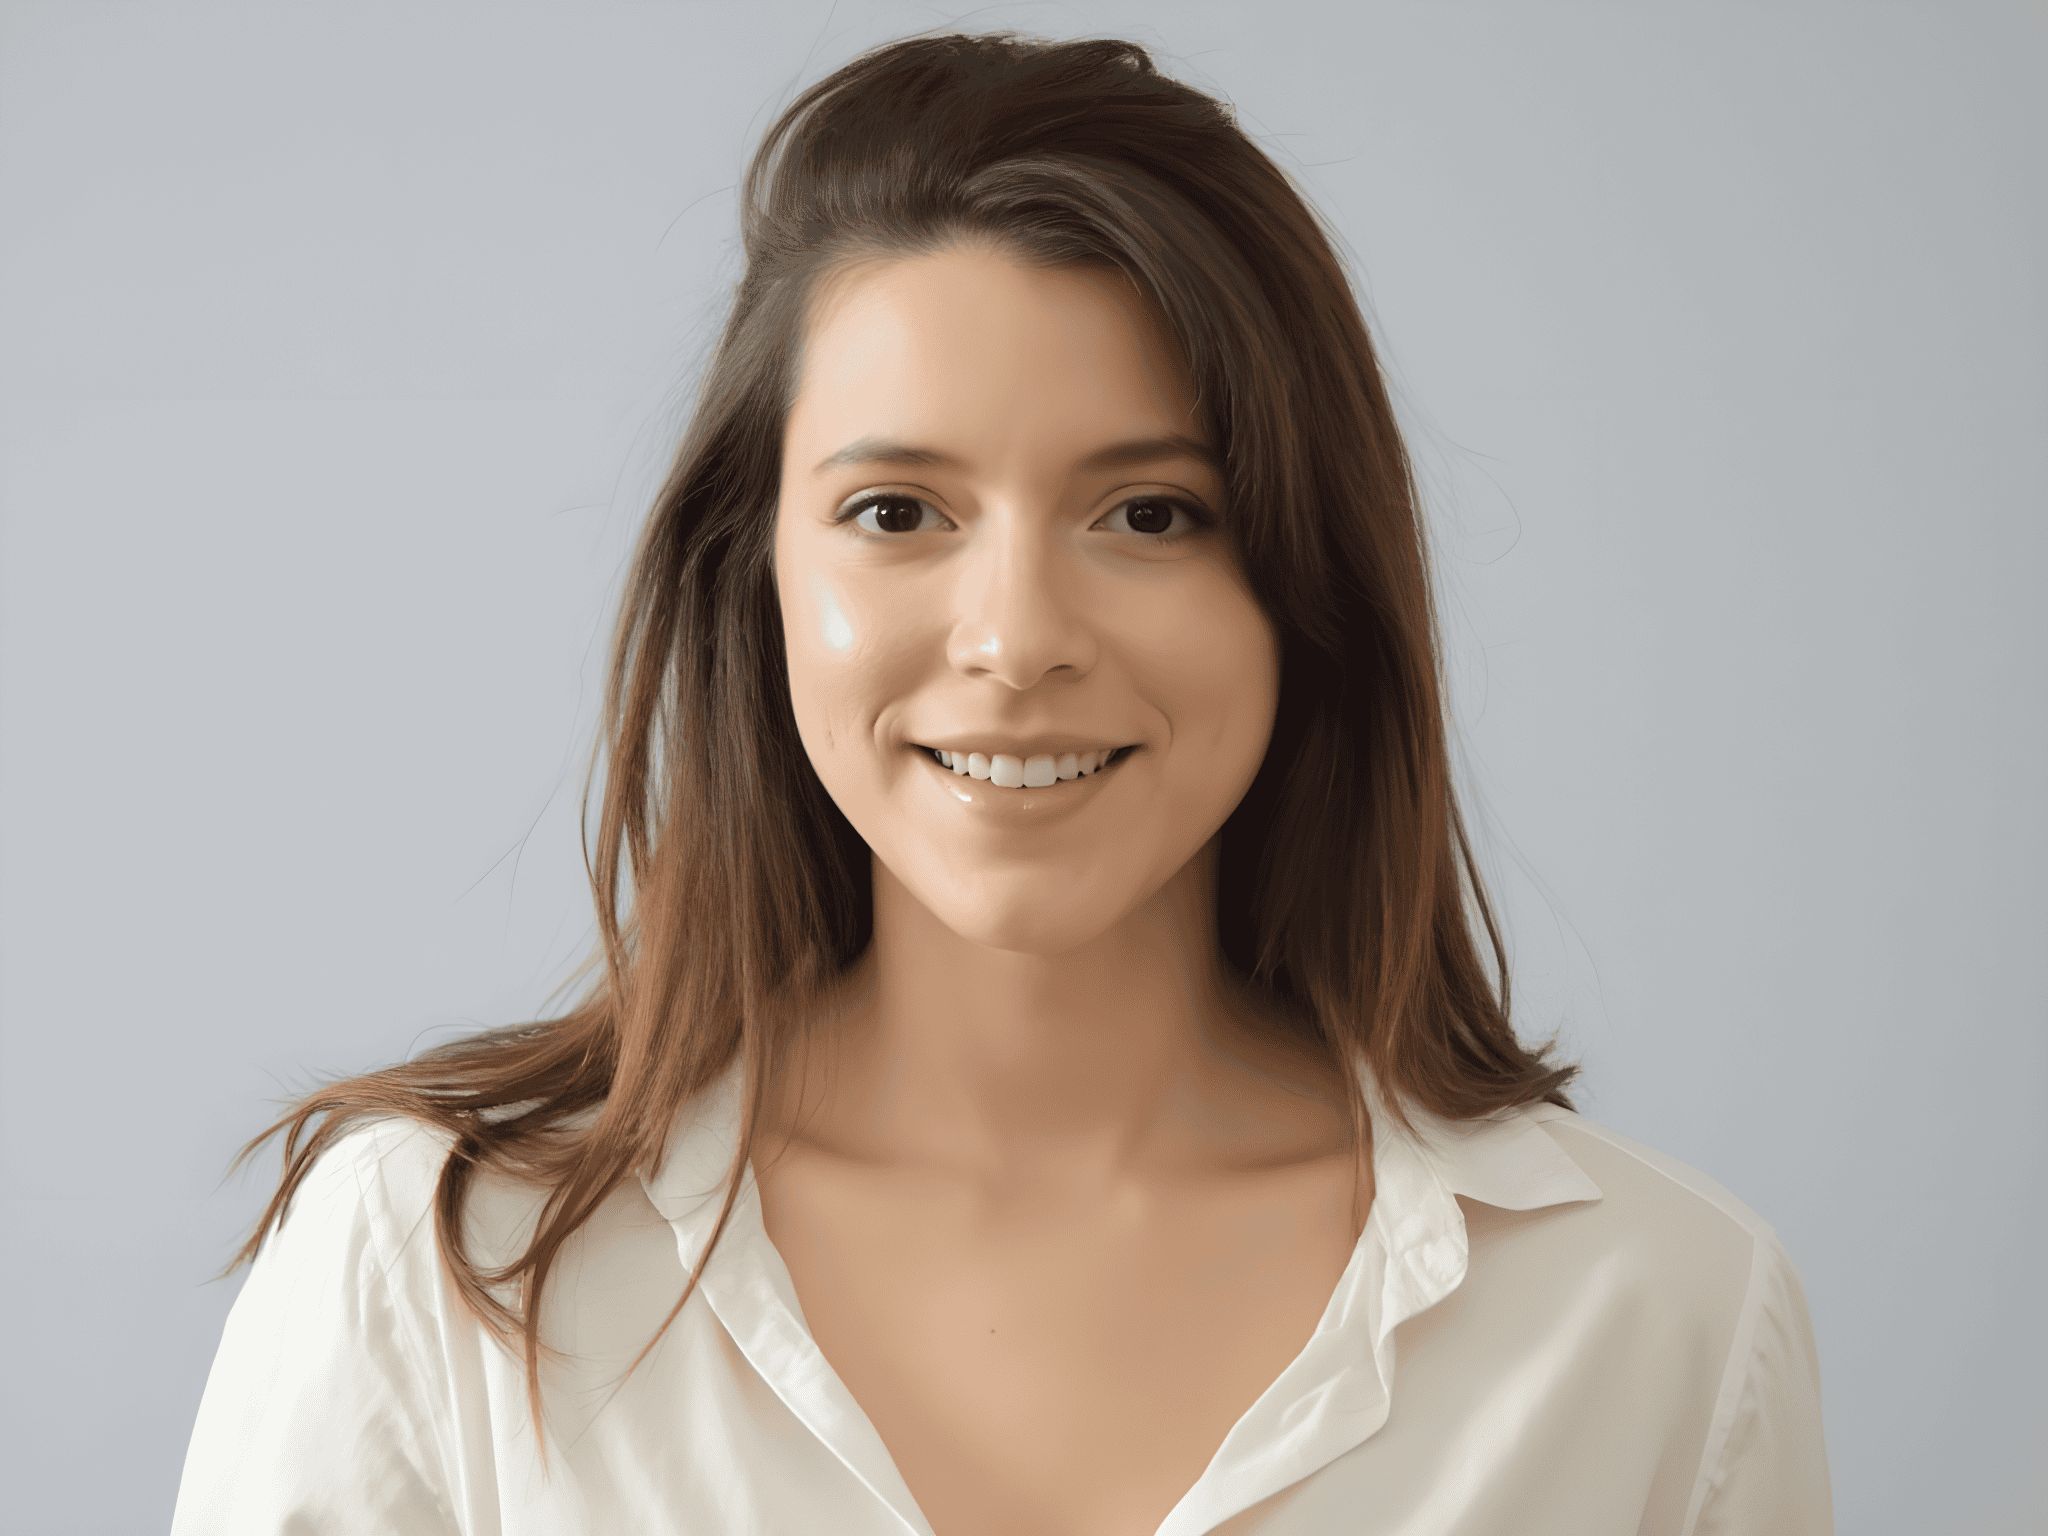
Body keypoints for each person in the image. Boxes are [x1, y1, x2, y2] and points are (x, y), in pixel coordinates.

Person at [172, 31, 1832, 1536]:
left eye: (1151, 514)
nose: (1018, 639)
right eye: (900, 511)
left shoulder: (1658, 1318)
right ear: (754, 579)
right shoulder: (438, 1270)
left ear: (1302, 588)